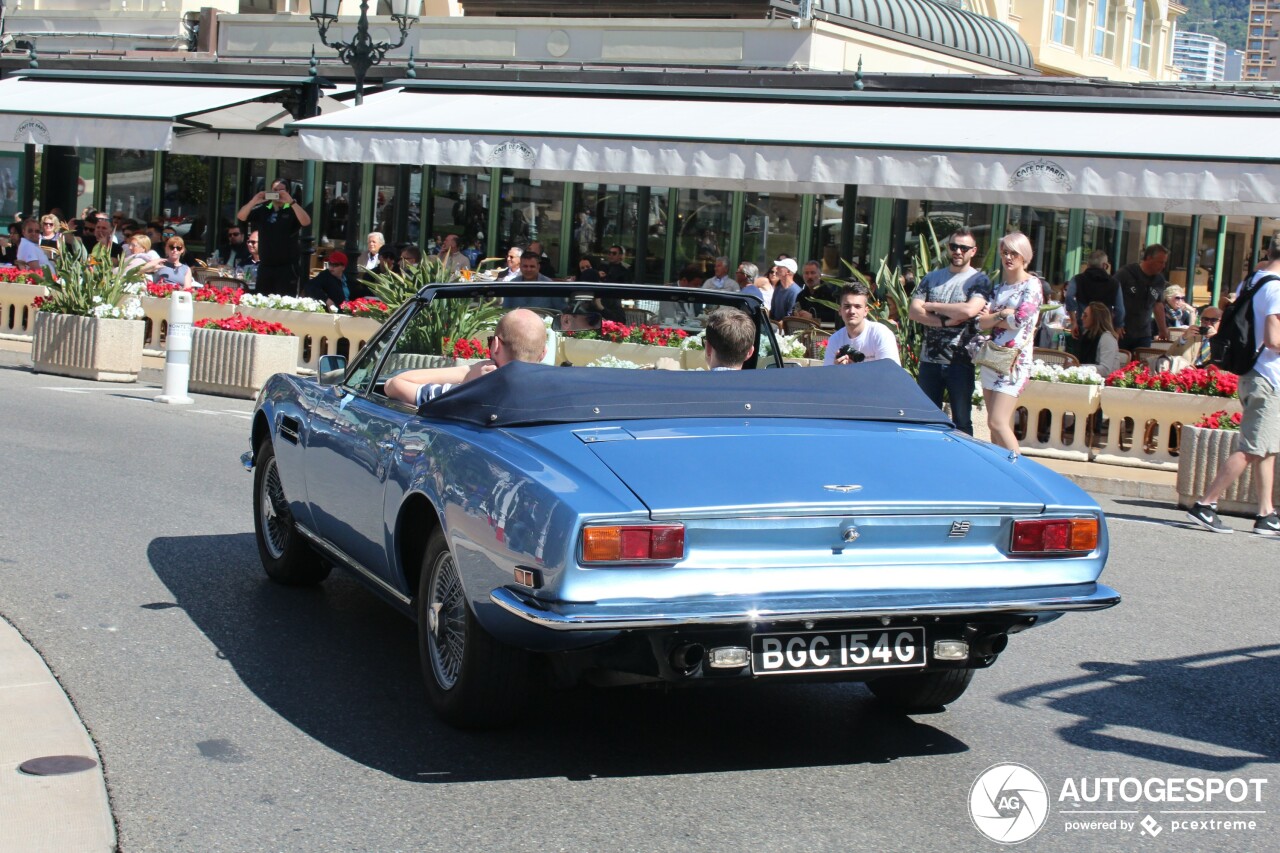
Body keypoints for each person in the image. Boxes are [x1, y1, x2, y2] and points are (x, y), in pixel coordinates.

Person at [1186, 236, 1280, 536]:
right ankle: (1206, 503)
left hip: (1252, 374)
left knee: (1266, 448)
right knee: (1252, 449)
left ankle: (1266, 513)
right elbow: (1274, 339)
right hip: (1267, 377)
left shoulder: (1252, 281)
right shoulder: (1277, 288)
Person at [907, 228, 991, 436]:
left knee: (962, 421)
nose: (958, 251)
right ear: (948, 248)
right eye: (954, 246)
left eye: (964, 248)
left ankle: (964, 465)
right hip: (930, 360)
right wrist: (946, 322)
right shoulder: (931, 278)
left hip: (960, 361)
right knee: (927, 420)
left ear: (973, 251)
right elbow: (913, 311)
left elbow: (970, 310)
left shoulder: (979, 280)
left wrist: (932, 305)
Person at [385, 308, 548, 407]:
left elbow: (393, 384)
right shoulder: (556, 396)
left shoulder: (464, 393)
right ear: (543, 353)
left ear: (495, 345)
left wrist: (467, 373)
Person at [976, 232, 1043, 454]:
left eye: (1014, 253)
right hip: (992, 360)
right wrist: (1003, 314)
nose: (1008, 257)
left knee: (998, 422)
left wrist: (998, 315)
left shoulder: (1032, 285)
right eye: (1005, 252)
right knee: (992, 426)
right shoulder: (999, 288)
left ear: (1024, 256)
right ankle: (1001, 476)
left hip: (1014, 363)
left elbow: (1020, 320)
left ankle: (1020, 471)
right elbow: (981, 322)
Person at [238, 179, 311, 297]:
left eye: (281, 190)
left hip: (287, 268)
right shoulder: (264, 209)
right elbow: (241, 216)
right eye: (275, 190)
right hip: (265, 266)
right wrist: (254, 201)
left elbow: (306, 221)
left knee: (284, 303)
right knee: (261, 301)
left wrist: (291, 202)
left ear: (288, 192)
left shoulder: (292, 209)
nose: (278, 193)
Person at [823, 282, 900, 365]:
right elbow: (828, 375)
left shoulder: (881, 334)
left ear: (866, 311)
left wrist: (855, 371)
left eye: (858, 307)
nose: (852, 311)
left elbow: (890, 373)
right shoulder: (835, 339)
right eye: (847, 306)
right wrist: (836, 370)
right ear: (840, 310)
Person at [1115, 243, 1169, 352]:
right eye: (1160, 262)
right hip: (1122, 331)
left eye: (1164, 263)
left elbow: (1158, 305)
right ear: (1149, 258)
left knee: (1141, 366)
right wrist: (1116, 323)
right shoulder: (1126, 273)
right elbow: (1110, 297)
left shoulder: (1159, 280)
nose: (1163, 266)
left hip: (1143, 333)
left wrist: (1163, 329)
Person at [1065, 250, 1124, 332]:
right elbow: (1120, 310)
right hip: (1105, 328)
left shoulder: (1077, 279)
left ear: (1088, 264)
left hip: (1083, 326)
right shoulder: (1114, 283)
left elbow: (1069, 297)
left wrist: (1073, 321)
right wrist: (1118, 326)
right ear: (1105, 265)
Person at [1075, 302, 1124, 376]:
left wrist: (1078, 367)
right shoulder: (1086, 335)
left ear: (1095, 318)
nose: (1082, 318)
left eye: (1085, 316)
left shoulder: (1107, 338)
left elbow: (1105, 369)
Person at [793, 259, 839, 324]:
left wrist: (813, 316)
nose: (809, 276)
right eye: (806, 273)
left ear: (820, 275)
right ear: (803, 276)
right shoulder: (801, 295)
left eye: (813, 273)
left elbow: (835, 315)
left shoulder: (830, 294)